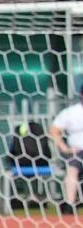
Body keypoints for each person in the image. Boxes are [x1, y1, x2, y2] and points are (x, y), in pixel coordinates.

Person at [49, 85, 83, 214]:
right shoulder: (71, 112)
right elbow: (54, 130)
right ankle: (70, 203)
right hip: (77, 151)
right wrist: (64, 148)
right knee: (72, 170)